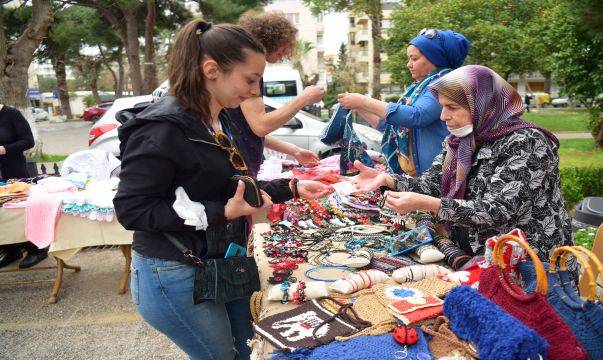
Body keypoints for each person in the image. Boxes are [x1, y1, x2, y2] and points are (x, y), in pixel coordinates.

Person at [113, 20, 331, 360]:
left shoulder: (216, 119)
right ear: (212, 70)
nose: (255, 89)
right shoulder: (161, 129)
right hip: (173, 270)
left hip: (215, 261)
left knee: (250, 345)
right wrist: (221, 213)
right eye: (250, 79)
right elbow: (132, 210)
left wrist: (293, 186)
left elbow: (229, 185)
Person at [351, 65, 572, 267]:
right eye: (442, 106)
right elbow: (433, 182)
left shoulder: (526, 142)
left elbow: (497, 211)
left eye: (451, 107)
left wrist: (431, 204)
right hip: (477, 259)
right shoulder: (460, 140)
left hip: (531, 267)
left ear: (483, 106)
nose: (443, 116)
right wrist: (388, 179)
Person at [337, 29, 470, 176]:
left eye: (414, 59)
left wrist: (364, 101)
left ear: (435, 58)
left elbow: (416, 116)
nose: (408, 64)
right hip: (416, 177)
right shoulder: (418, 88)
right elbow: (389, 126)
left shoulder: (445, 83)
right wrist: (359, 106)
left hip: (437, 177)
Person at [235, 10, 325, 173]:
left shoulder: (249, 72)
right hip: (238, 167)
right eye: (285, 44)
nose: (286, 51)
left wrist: (294, 151)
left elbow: (250, 130)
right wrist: (303, 99)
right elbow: (260, 126)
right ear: (271, 40)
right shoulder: (246, 70)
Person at [0, 104, 49, 269]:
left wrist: (4, 149)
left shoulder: (11, 114)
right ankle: (11, 250)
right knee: (2, 213)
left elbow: (28, 141)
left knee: (21, 210)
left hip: (13, 170)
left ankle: (36, 248)